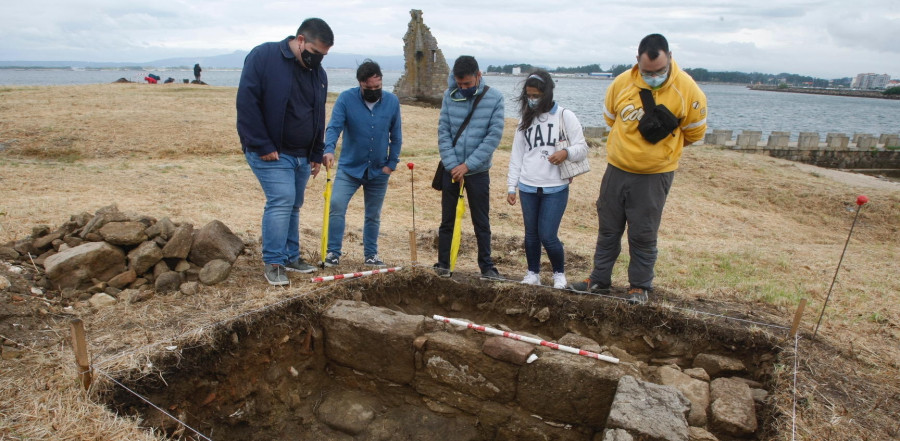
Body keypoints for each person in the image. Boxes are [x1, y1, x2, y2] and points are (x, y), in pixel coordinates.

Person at [570, 33, 707, 304]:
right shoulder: (621, 83)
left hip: (654, 175)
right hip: (617, 169)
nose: (653, 76)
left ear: (670, 58)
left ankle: (639, 287)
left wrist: (660, 154)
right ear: (637, 61)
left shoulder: (689, 90)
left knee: (643, 233)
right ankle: (599, 279)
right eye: (647, 71)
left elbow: (693, 133)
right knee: (608, 228)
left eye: (660, 71)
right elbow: (611, 119)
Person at [236, 18, 334, 286]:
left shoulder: (318, 74)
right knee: (281, 200)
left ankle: (291, 256)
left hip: (302, 154)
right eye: (315, 54)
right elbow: (247, 103)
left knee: (294, 205)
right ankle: (275, 262)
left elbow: (317, 114)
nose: (318, 61)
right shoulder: (264, 57)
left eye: (324, 56)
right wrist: (262, 144)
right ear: (300, 40)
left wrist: (316, 152)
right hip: (271, 152)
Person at [507, 70, 588, 289]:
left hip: (555, 188)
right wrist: (511, 186)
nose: (532, 100)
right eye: (529, 95)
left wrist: (566, 153)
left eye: (536, 95)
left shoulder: (565, 116)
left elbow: (582, 147)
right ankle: (533, 272)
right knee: (531, 234)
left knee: (548, 235)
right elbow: (517, 155)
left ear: (547, 93)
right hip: (528, 186)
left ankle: (559, 274)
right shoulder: (525, 120)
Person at [322, 59, 402, 268]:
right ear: (360, 83)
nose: (374, 90)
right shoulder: (346, 99)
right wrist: (328, 149)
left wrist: (391, 164)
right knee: (337, 206)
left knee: (373, 215)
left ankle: (371, 255)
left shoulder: (392, 102)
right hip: (349, 168)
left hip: (379, 169)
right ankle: (333, 253)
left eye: (378, 87)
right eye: (369, 87)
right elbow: (334, 127)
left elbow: (397, 135)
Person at [433, 55, 505, 279]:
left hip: (478, 171)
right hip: (450, 169)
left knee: (481, 221)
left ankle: (487, 267)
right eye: (459, 83)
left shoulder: (495, 98)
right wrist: (454, 165)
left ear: (478, 76)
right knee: (447, 220)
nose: (462, 88)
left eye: (467, 84)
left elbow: (493, 137)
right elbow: (443, 132)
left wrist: (468, 165)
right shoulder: (449, 95)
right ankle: (443, 264)